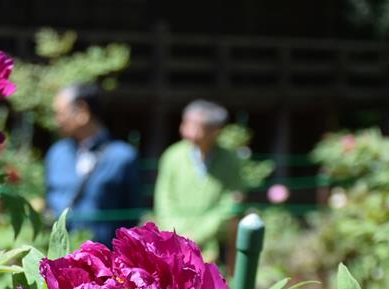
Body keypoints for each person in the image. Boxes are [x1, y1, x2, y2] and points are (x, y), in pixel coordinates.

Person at [45, 84, 140, 244]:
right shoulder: (56, 154)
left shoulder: (122, 157)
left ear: (82, 110)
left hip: (105, 261)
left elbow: (131, 216)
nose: (56, 120)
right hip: (61, 258)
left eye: (60, 114)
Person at [154, 100, 244, 258]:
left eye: (199, 127)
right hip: (175, 243)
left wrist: (199, 234)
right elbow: (163, 201)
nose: (191, 132)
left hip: (215, 244)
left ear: (216, 131)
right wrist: (179, 234)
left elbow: (231, 203)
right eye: (187, 124)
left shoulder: (230, 160)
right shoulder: (172, 156)